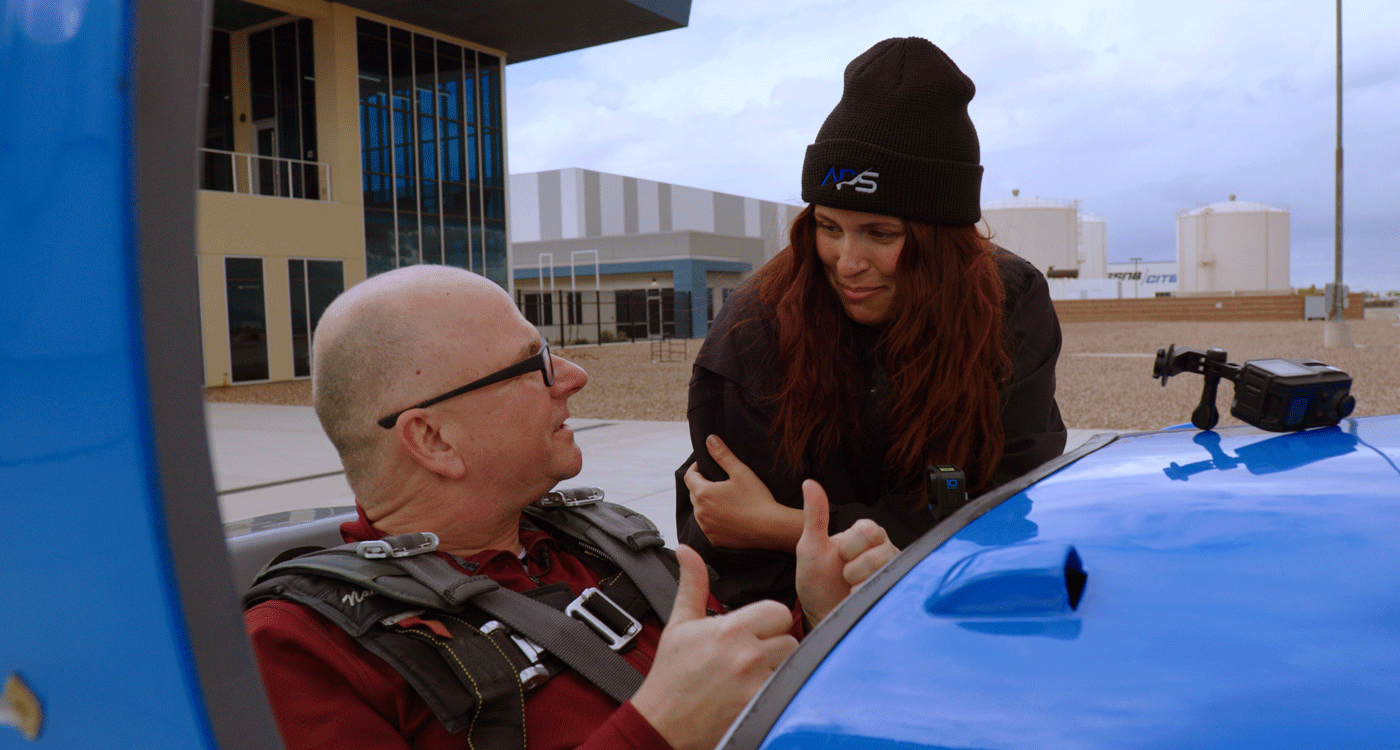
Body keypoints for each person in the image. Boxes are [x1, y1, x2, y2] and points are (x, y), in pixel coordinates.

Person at [244, 265, 897, 750]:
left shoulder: (599, 541)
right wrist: (655, 732)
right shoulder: (301, 648)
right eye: (534, 364)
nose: (575, 377)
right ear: (432, 438)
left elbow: (751, 695)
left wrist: (823, 618)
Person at [677, 37, 1068, 609]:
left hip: (959, 602)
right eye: (829, 226)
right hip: (793, 631)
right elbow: (723, 533)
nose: (847, 262)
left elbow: (1010, 500)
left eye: (881, 234)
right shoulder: (755, 329)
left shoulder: (1007, 303)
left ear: (944, 241)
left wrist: (788, 526)